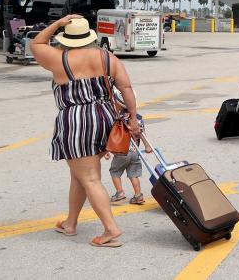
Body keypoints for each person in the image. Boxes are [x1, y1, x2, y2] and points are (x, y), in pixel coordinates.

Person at [31, 14, 140, 248]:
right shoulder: (107, 57)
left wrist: (58, 23)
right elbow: (126, 88)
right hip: (105, 119)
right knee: (79, 174)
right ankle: (71, 223)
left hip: (77, 121)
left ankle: (111, 229)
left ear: (66, 38)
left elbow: (36, 43)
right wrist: (132, 119)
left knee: (89, 177)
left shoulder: (58, 59)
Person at [105, 113, 151, 205]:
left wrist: (107, 151)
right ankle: (138, 195)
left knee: (115, 171)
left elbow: (110, 134)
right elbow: (141, 133)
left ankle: (120, 192)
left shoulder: (117, 117)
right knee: (133, 174)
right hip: (135, 152)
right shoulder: (137, 118)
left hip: (122, 151)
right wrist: (147, 146)